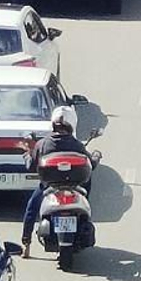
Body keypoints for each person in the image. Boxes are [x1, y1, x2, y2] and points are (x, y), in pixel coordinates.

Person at [20, 106, 91, 254]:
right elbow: (91, 164)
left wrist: (27, 154)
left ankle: (26, 244)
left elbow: (31, 166)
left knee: (31, 208)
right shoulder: (77, 145)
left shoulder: (42, 144)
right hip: (73, 187)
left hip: (48, 186)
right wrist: (96, 156)